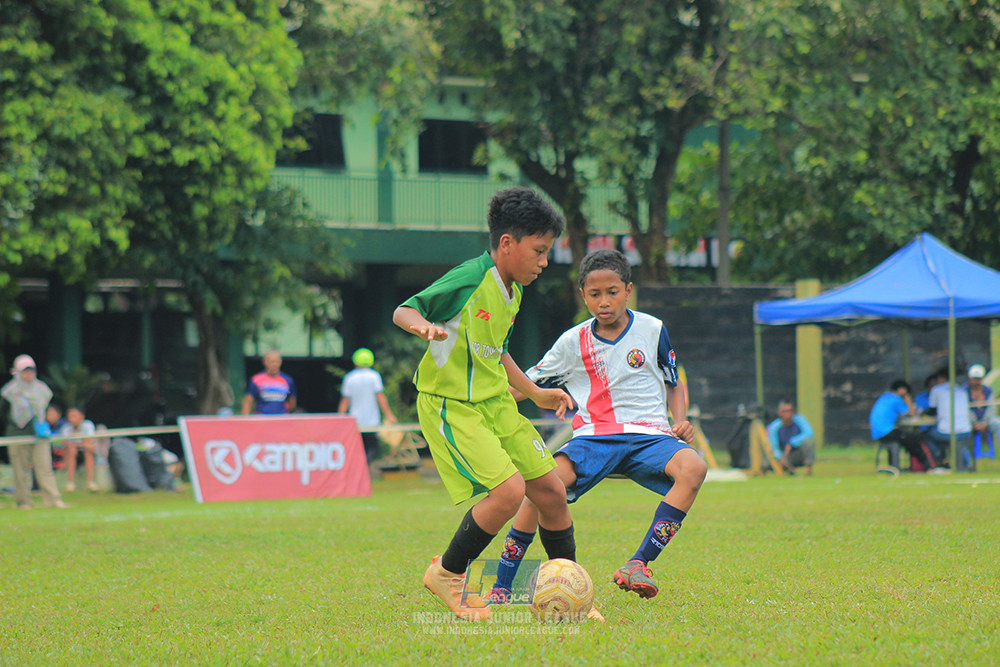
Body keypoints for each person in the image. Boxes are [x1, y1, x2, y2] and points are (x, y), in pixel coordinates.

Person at [392, 186, 576, 622]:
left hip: (496, 403)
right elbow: (404, 310)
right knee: (509, 492)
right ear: (507, 243)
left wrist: (535, 392)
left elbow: (498, 351)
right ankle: (447, 573)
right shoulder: (470, 278)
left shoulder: (514, 291)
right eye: (539, 251)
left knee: (551, 491)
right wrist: (423, 328)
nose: (544, 262)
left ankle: (569, 589)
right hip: (453, 404)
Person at [488, 249, 704, 605]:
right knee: (540, 487)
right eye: (595, 294)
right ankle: (503, 584)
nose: (604, 302)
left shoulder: (653, 329)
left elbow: (672, 381)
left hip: (650, 436)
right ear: (583, 296)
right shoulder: (572, 342)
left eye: (612, 292)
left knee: (694, 467)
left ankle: (638, 563)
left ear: (628, 291)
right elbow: (526, 384)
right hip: (594, 438)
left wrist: (679, 419)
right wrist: (486, 403)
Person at [0, 355, 66, 509]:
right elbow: (3, 413)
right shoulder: (9, 391)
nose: (28, 374)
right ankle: (24, 501)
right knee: (20, 470)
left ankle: (53, 500)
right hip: (17, 433)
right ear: (17, 371)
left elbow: (47, 410)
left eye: (31, 370)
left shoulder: (42, 389)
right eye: (25, 371)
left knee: (45, 467)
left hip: (39, 432)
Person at [338, 347, 397, 464]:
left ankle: (361, 467)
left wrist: (340, 418)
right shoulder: (374, 376)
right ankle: (364, 467)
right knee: (373, 448)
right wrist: (389, 415)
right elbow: (381, 398)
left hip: (354, 421)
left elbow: (345, 401)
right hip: (372, 421)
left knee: (358, 449)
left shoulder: (349, 378)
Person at [869, 380, 935, 472]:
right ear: (902, 390)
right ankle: (928, 467)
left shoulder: (884, 397)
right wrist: (908, 400)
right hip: (887, 432)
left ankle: (897, 466)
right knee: (915, 440)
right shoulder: (896, 399)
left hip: (878, 433)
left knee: (907, 439)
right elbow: (912, 413)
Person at [928, 371, 973, 471]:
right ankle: (967, 463)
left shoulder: (936, 389)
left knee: (928, 435)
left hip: (947, 432)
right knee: (958, 443)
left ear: (941, 378)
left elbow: (931, 410)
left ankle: (941, 460)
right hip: (966, 430)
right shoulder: (962, 389)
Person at [766, 400, 816, 475]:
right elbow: (773, 446)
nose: (788, 413)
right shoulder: (774, 427)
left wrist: (792, 442)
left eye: (790, 411)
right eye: (784, 411)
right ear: (779, 413)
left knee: (809, 442)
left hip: (798, 453)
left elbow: (809, 433)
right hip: (784, 455)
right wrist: (779, 457)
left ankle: (809, 471)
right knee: (766, 462)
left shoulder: (799, 420)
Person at [241, 349, 297, 415]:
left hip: (281, 417)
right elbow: (248, 401)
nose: (274, 364)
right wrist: (245, 417)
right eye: (272, 362)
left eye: (277, 361)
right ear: (265, 362)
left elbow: (292, 400)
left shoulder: (288, 380)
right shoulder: (256, 380)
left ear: (280, 362)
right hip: (262, 417)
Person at [61, 406, 99, 492]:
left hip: (87, 451)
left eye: (74, 416)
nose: (71, 419)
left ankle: (91, 482)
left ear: (82, 416)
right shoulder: (66, 428)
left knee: (88, 452)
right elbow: (66, 444)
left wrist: (77, 444)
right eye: (70, 416)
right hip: (72, 453)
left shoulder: (88, 425)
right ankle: (71, 483)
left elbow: (89, 443)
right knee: (72, 450)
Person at [966, 364, 1000, 450]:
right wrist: (974, 423)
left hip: (987, 420)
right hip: (970, 421)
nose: (976, 381)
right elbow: (965, 410)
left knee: (998, 423)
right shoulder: (965, 391)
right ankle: (968, 453)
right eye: (974, 379)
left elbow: (991, 408)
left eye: (978, 379)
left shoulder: (988, 391)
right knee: (961, 425)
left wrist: (985, 422)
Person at [45, 403, 69, 471]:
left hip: (62, 451)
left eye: (52, 414)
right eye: (48, 414)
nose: (49, 417)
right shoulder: (44, 426)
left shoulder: (65, 425)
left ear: (58, 414)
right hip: (50, 451)